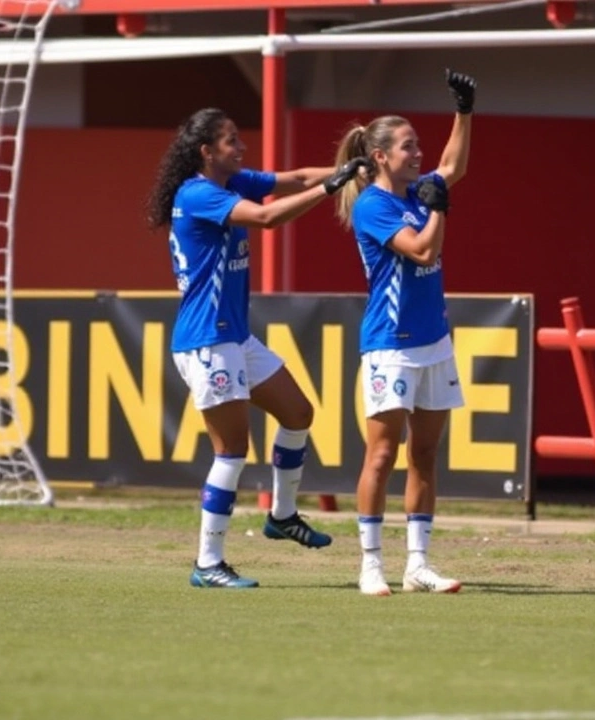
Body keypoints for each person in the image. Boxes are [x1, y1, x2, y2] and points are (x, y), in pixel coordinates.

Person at [145, 107, 371, 589]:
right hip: (207, 339)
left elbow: (294, 177)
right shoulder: (199, 193)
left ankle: (282, 516)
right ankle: (208, 563)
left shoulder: (231, 181)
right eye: (230, 141)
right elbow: (267, 218)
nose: (240, 146)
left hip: (233, 335)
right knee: (230, 453)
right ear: (206, 152)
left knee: (298, 413)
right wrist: (333, 189)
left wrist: (348, 167)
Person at [331, 69, 476, 596]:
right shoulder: (374, 205)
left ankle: (418, 564)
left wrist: (464, 110)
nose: (418, 153)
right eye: (408, 146)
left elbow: (451, 168)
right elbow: (422, 250)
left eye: (418, 145)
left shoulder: (418, 190)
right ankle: (370, 564)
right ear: (381, 158)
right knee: (381, 455)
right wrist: (438, 208)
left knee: (425, 455)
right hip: (390, 345)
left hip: (434, 341)